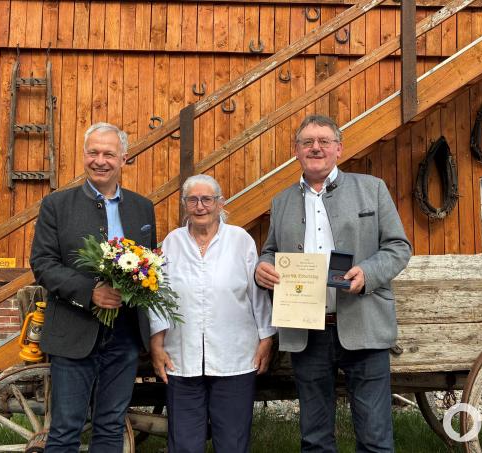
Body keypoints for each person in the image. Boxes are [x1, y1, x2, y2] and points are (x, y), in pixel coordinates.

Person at [255, 114, 412, 452]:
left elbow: (399, 247)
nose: (316, 147)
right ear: (296, 151)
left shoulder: (371, 189)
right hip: (307, 331)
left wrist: (367, 273)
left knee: (374, 437)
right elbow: (269, 252)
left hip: (364, 324)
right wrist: (262, 268)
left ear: (338, 148)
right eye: (307, 142)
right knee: (314, 438)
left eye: (324, 141)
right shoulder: (281, 201)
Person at [30, 122, 156, 452]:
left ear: (124, 159)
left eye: (109, 154)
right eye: (93, 152)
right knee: (65, 428)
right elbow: (42, 264)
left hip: (124, 335)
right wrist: (90, 292)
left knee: (112, 425)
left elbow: (148, 264)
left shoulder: (143, 208)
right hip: (74, 332)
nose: (100, 160)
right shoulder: (56, 205)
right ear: (84, 156)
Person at [149, 174, 276, 453]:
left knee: (232, 441)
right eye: (192, 199)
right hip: (181, 358)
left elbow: (257, 294)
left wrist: (266, 338)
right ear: (185, 205)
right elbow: (158, 295)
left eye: (207, 199)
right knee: (184, 443)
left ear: (220, 204)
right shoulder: (172, 242)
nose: (200, 206)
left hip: (235, 357)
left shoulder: (240, 240)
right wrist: (156, 344)